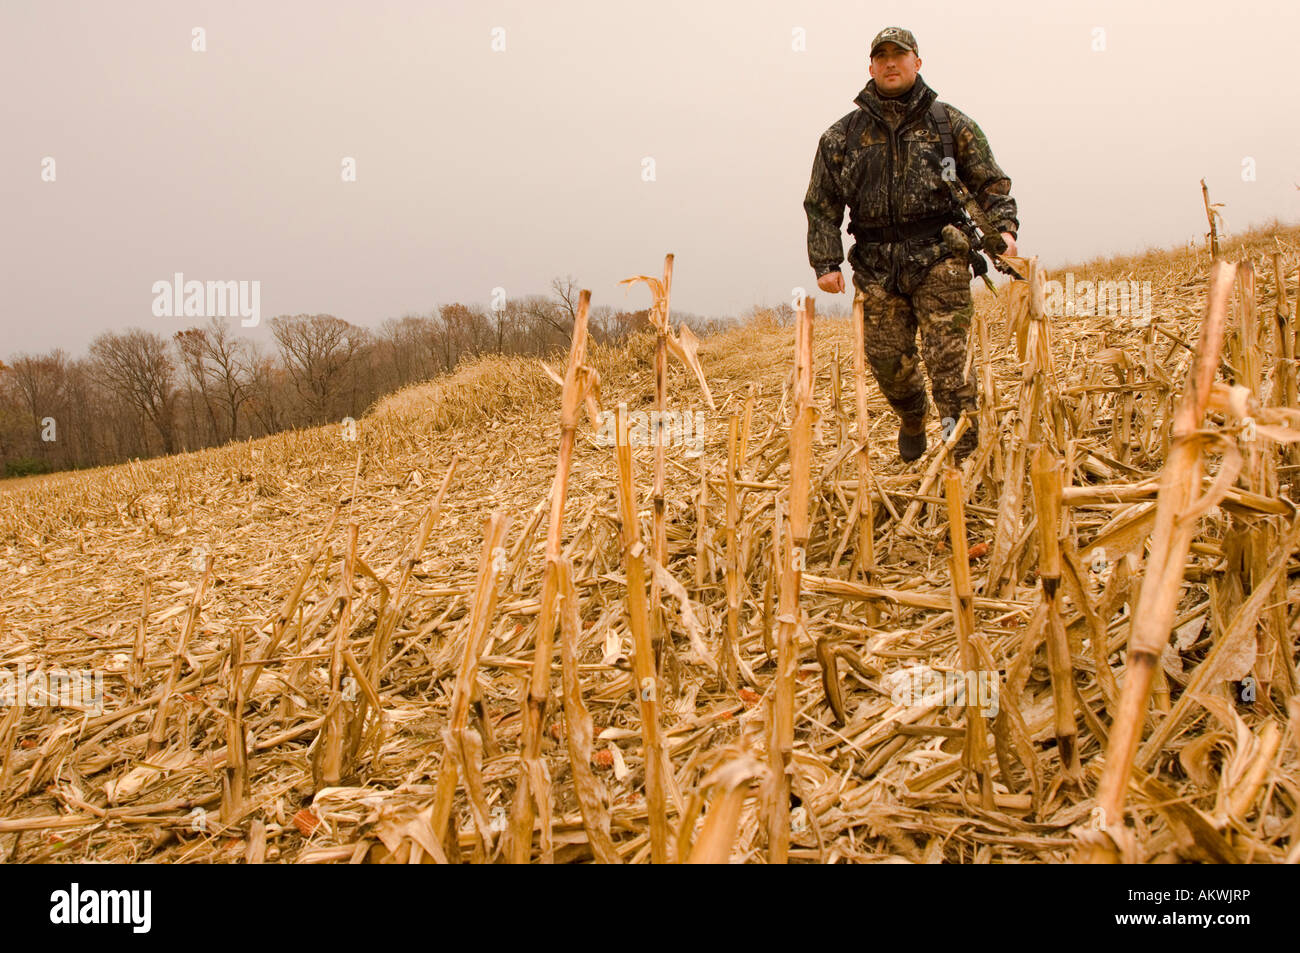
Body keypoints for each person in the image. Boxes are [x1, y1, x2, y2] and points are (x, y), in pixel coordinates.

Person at [803, 26, 1019, 462]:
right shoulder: (841, 136)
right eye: (881, 56)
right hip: (876, 266)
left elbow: (991, 182)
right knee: (889, 365)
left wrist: (1005, 230)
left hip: (940, 256)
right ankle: (913, 414)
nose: (890, 63)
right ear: (871, 67)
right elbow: (822, 203)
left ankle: (964, 457)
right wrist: (826, 262)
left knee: (950, 368)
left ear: (916, 63)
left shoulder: (950, 124)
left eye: (898, 55)